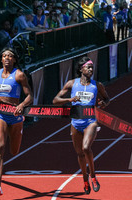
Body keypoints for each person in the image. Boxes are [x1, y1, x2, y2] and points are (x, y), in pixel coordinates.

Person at [53, 56, 110, 194]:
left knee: (86, 148)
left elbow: (107, 99)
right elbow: (55, 100)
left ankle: (93, 176)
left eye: (92, 67)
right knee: (79, 154)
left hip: (90, 121)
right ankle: (85, 179)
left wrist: (103, 103)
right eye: (88, 67)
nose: (91, 69)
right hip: (75, 122)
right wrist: (70, 99)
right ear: (81, 69)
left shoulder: (97, 85)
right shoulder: (72, 84)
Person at [0, 47, 33, 195]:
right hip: (0, 114)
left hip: (15, 116)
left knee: (14, 151)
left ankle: (20, 130)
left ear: (15, 59)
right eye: (4, 56)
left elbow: (30, 96)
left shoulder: (19, 75)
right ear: (1, 59)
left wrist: (22, 105)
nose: (6, 58)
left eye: (10, 56)